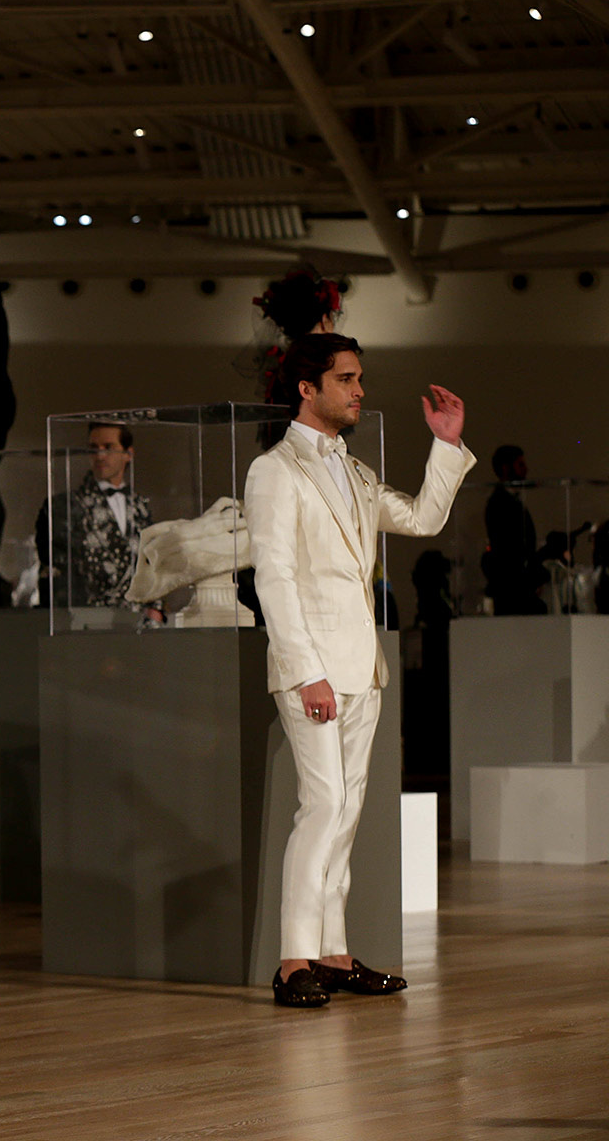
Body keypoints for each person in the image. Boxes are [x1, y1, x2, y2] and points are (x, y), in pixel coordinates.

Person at [245, 331, 472, 1008]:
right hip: (312, 667)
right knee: (321, 807)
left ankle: (334, 954)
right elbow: (274, 579)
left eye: (358, 378)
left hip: (361, 667)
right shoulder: (274, 470)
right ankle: (293, 960)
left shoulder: (356, 469)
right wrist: (304, 670)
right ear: (306, 388)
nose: (359, 390)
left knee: (344, 814)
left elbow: (422, 519)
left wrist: (446, 444)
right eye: (346, 379)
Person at [36, 422, 162, 621]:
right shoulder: (66, 506)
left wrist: (156, 609)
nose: (100, 456)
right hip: (87, 622)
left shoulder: (140, 506)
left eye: (108, 448)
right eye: (93, 449)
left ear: (128, 454)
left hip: (137, 624)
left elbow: (153, 563)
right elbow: (55, 574)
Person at [481, 445, 546, 615]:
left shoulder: (512, 501)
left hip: (518, 585)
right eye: (520, 465)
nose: (526, 470)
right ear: (505, 468)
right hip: (511, 588)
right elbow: (507, 547)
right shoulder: (499, 503)